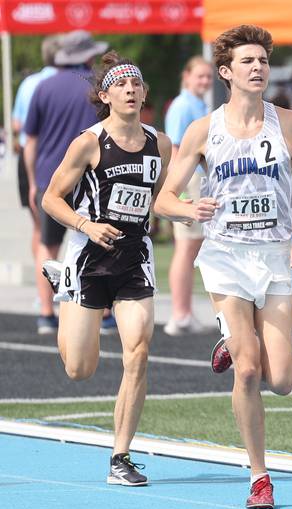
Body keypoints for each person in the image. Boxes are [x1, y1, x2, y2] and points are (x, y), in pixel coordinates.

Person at [153, 24, 292, 509]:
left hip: (273, 257)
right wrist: (188, 210)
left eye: (263, 61)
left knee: (283, 382)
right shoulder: (203, 130)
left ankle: (248, 339)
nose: (258, 68)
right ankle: (259, 476)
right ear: (226, 72)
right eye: (248, 61)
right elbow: (164, 197)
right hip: (225, 257)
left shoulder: (288, 123)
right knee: (247, 372)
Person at [40, 52, 171, 486]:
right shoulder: (89, 142)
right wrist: (87, 225)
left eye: (137, 84)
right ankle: (64, 280)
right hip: (89, 256)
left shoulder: (160, 144)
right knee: (80, 368)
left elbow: (157, 197)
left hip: (134, 257)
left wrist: (182, 212)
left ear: (145, 93)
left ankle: (120, 456)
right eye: (121, 85)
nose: (131, 90)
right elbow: (51, 199)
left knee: (138, 351)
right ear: (105, 95)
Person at [24, 31, 112, 334]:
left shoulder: (42, 86)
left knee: (47, 247)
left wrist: (35, 182)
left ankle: (47, 313)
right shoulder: (98, 88)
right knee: (98, 242)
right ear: (88, 56)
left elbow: (30, 142)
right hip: (92, 176)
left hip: (51, 176)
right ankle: (101, 313)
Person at [163, 56, 213, 336]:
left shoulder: (198, 104)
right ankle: (179, 313)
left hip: (198, 179)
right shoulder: (182, 106)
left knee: (193, 247)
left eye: (208, 77)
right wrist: (177, 191)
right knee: (186, 247)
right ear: (186, 76)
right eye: (199, 76)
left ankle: (185, 311)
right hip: (189, 180)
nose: (204, 81)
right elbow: (175, 149)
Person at [12, 35, 61, 287]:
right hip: (57, 159)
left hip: (31, 160)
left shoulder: (30, 83)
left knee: (40, 231)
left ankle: (42, 292)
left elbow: (17, 124)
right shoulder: (70, 82)